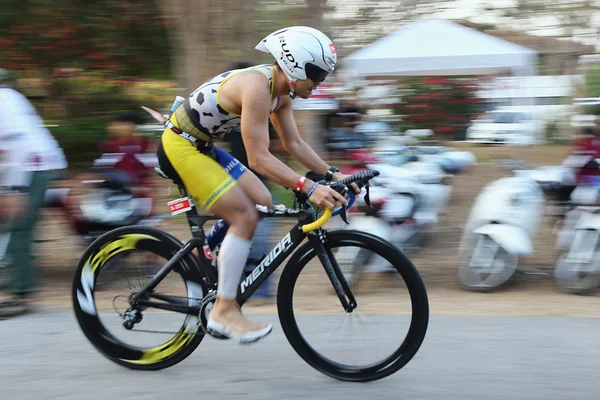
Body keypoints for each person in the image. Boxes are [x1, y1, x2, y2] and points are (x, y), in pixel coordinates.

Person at [156, 26, 358, 344]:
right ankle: (223, 309)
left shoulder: (281, 95)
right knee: (244, 216)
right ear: (295, 65)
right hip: (179, 145)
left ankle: (207, 254)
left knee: (262, 200)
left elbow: (294, 143)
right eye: (317, 75)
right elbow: (258, 159)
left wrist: (333, 174)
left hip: (202, 146)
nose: (320, 84)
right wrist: (309, 187)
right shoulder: (258, 88)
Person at [0, 69, 68, 317]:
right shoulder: (10, 96)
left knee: (18, 225)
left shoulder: (3, 100)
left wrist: (13, 189)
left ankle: (19, 295)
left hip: (31, 166)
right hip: (29, 164)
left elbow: (17, 144)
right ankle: (11, 282)